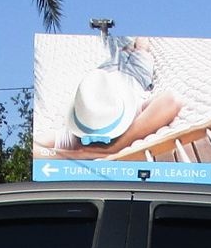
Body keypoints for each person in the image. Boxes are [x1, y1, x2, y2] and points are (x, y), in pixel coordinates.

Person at [48, 35, 180, 158]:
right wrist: (114, 148)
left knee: (122, 49)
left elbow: (37, 148)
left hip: (106, 74)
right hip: (136, 75)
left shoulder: (74, 137)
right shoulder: (133, 116)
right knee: (141, 48)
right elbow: (171, 100)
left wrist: (82, 155)